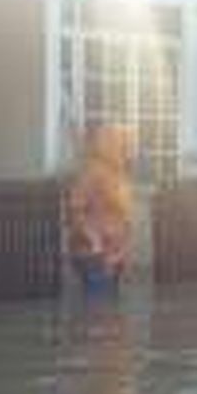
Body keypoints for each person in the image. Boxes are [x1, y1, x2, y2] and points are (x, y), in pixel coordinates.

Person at [67, 126, 134, 297]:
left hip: (113, 255)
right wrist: (95, 242)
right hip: (95, 256)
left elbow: (122, 216)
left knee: (109, 311)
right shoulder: (92, 173)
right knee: (99, 312)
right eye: (122, 145)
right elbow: (75, 210)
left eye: (126, 145)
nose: (127, 150)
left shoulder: (118, 174)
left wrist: (123, 252)